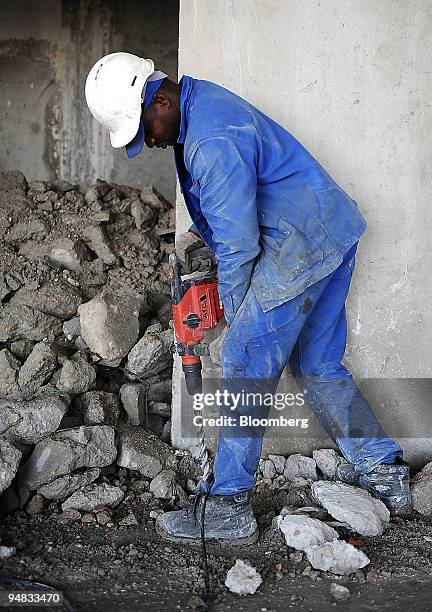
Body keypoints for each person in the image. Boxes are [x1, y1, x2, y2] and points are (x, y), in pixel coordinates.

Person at [85, 52, 411, 544]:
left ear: (162, 99)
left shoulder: (209, 139)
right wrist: (201, 230)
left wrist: (234, 320)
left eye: (143, 129)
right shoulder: (202, 106)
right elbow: (239, 190)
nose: (148, 142)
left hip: (298, 241)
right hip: (328, 228)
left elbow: (240, 247)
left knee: (243, 354)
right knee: (319, 363)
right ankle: (383, 470)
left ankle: (228, 506)